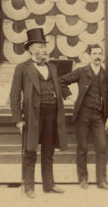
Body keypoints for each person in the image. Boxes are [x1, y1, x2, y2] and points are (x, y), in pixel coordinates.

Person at [9, 28, 67, 198]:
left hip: (52, 114)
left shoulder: (52, 67)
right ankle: (29, 187)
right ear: (31, 49)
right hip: (33, 115)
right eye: (40, 46)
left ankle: (49, 185)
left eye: (44, 46)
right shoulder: (22, 68)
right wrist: (18, 120)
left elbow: (58, 86)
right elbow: (14, 96)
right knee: (30, 151)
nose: (43, 49)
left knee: (49, 151)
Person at [60, 44, 108, 190]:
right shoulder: (82, 71)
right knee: (82, 147)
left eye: (99, 54)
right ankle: (83, 179)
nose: (97, 56)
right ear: (90, 56)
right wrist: (69, 96)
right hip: (83, 114)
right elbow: (61, 81)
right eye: (94, 53)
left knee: (102, 147)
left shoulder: (105, 74)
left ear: (102, 56)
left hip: (98, 116)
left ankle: (102, 181)